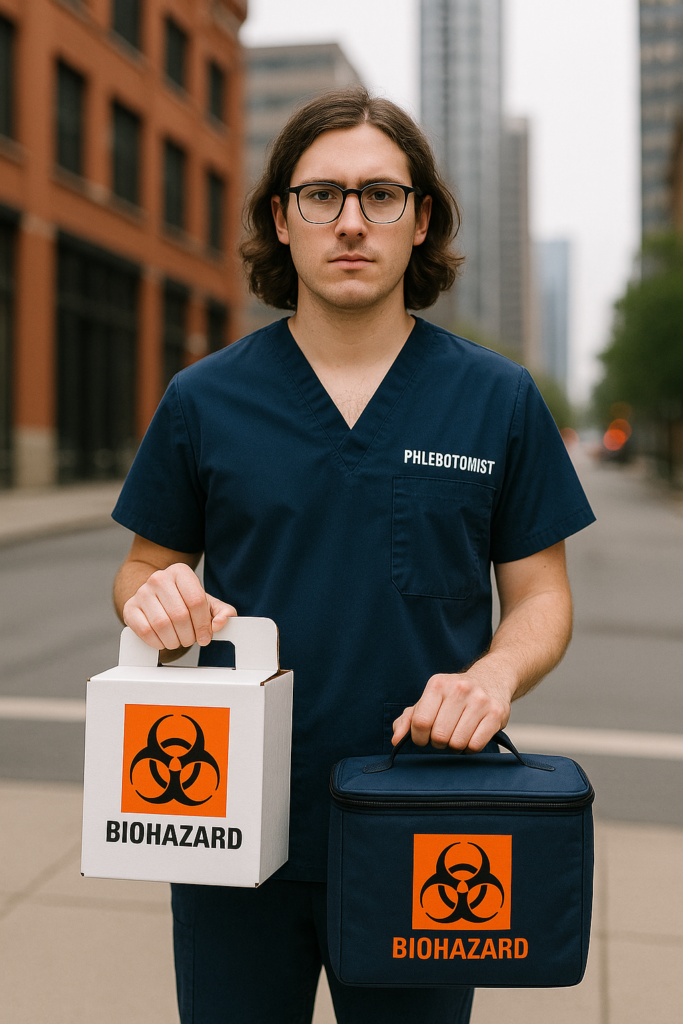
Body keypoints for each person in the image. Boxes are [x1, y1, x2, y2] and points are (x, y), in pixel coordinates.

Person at [112, 87, 595, 1024]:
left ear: (420, 222)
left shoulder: (495, 398)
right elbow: (141, 566)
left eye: (381, 195)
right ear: (279, 221)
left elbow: (541, 595)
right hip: (226, 817)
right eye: (320, 195)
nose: (349, 222)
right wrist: (155, 597)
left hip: (427, 825)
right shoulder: (204, 399)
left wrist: (494, 676)